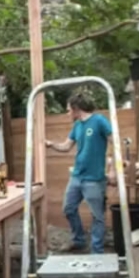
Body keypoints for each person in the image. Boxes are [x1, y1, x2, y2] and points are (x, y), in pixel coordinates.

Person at [45, 92, 114, 253]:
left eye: (69, 110)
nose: (68, 113)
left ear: (76, 109)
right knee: (68, 209)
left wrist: (112, 169)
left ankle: (97, 252)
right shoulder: (77, 126)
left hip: (94, 179)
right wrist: (50, 144)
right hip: (77, 177)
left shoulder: (99, 121)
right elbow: (66, 146)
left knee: (97, 216)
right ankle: (79, 240)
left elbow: (115, 143)